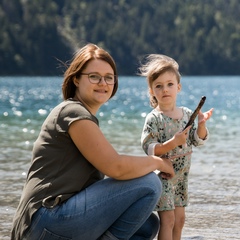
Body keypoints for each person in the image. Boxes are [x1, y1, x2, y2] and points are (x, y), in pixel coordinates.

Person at [11, 44, 175, 240]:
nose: (103, 83)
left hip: (51, 223)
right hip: (44, 220)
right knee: (149, 183)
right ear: (76, 79)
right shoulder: (72, 112)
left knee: (147, 226)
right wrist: (158, 162)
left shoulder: (83, 117)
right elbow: (117, 167)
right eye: (94, 76)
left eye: (109, 77)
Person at [139, 54, 213, 240]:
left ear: (178, 87)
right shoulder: (154, 118)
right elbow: (149, 148)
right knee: (168, 220)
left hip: (182, 178)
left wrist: (202, 125)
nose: (165, 89)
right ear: (152, 92)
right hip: (163, 177)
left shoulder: (187, 114)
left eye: (170, 84)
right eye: (159, 86)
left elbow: (197, 140)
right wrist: (172, 143)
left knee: (180, 220)